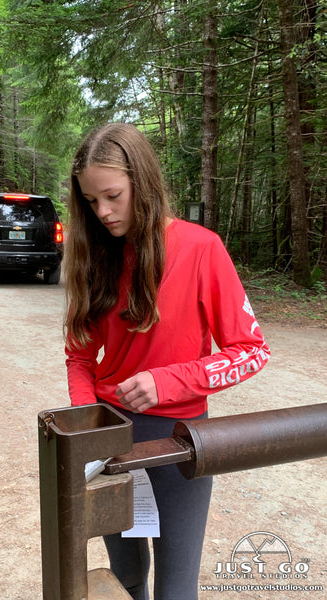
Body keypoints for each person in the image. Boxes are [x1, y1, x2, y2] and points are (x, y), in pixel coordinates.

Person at [64, 122, 270, 600]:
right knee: (126, 574)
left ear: (143, 181)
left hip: (180, 441)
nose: (103, 212)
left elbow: (252, 351)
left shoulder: (201, 249)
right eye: (91, 201)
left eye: (113, 195)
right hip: (111, 436)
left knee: (175, 587)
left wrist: (171, 381)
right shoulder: (94, 254)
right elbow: (78, 355)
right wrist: (88, 423)